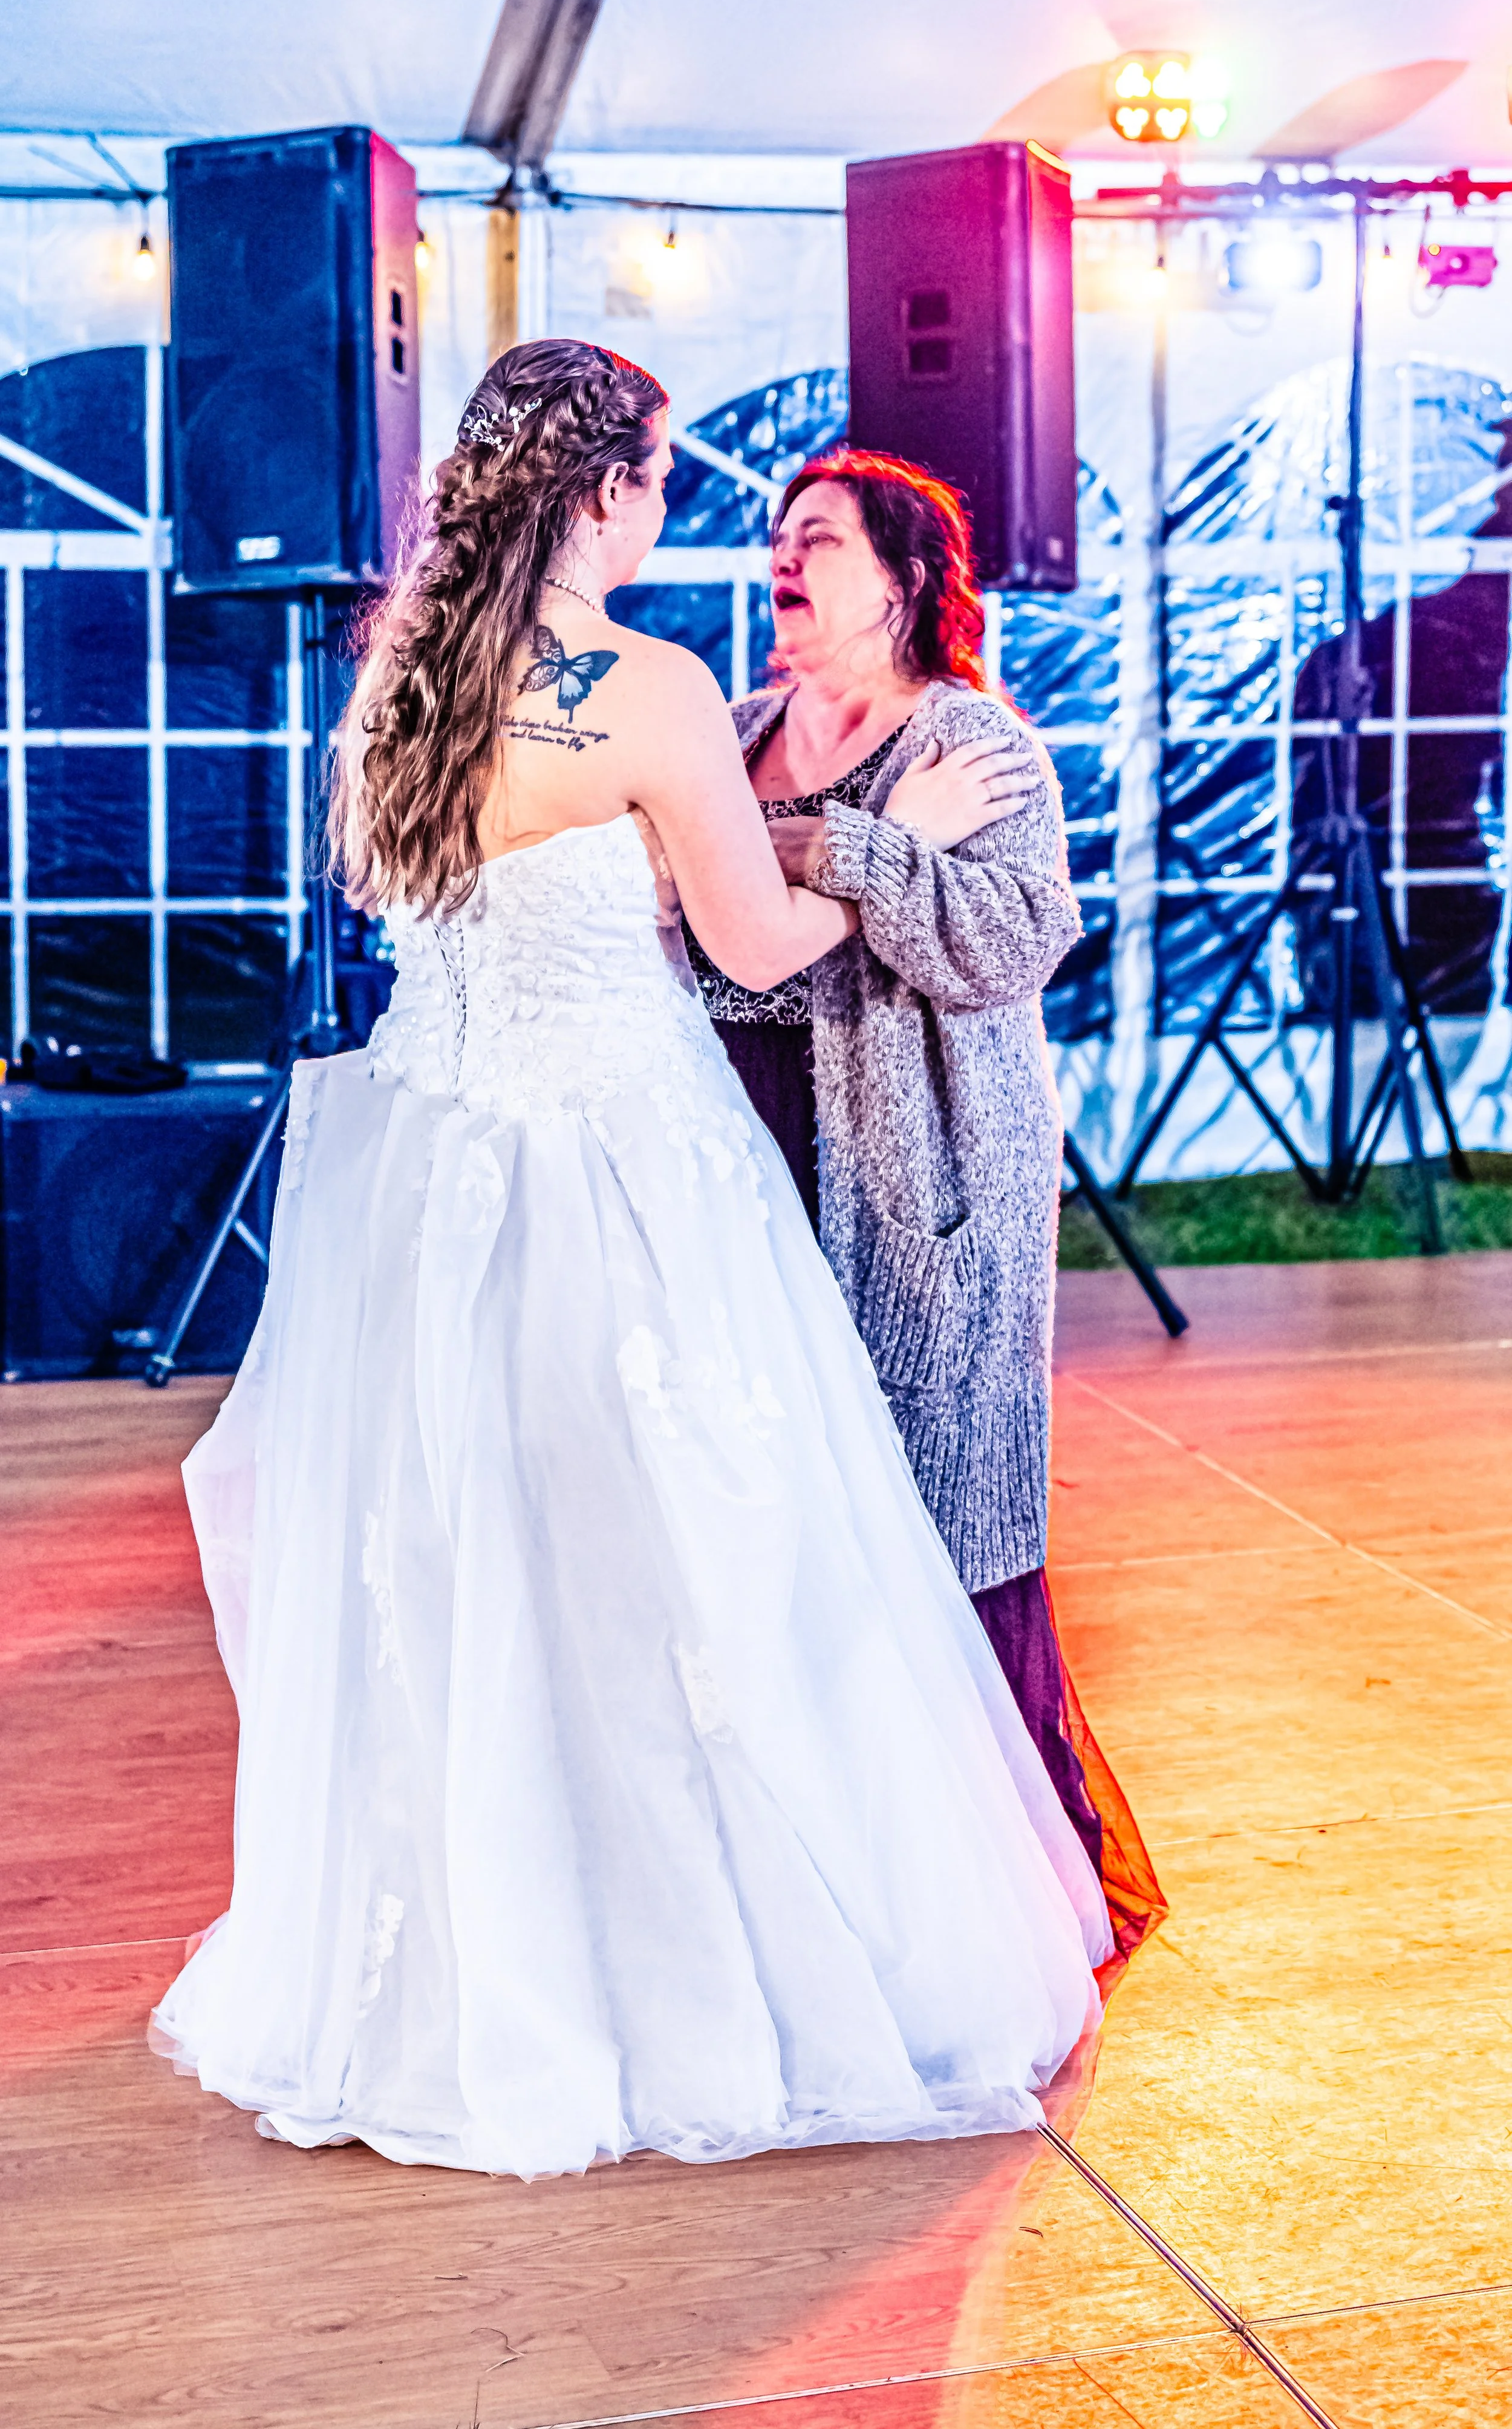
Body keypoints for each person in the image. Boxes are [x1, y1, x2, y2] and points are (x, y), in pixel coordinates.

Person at [151, 340, 1112, 2179]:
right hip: (625, 1174)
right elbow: (751, 948)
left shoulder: (401, 682)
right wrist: (890, 841)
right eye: (664, 480)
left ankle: (479, 1978)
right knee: (701, 1564)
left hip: (436, 1178)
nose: (682, 517)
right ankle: (706, 1978)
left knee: (469, 1570)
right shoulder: (651, 692)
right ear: (600, 492)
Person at [688, 450, 1162, 1958]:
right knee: (778, 1502)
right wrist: (864, 855)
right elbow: (697, 926)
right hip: (745, 1147)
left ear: (898, 578)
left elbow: (1019, 933)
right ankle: (813, 1882)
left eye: (813, 538)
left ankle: (981, 1901)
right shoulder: (738, 726)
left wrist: (838, 847)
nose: (780, 554)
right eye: (775, 535)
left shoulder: (974, 742)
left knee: (932, 1500)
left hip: (920, 1170)